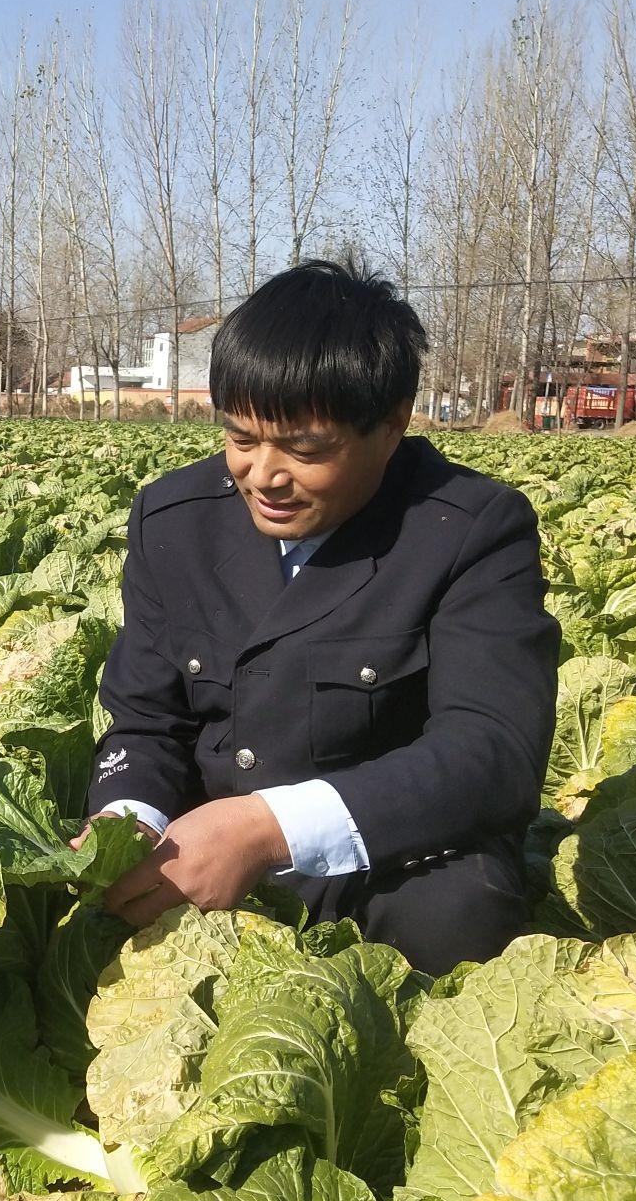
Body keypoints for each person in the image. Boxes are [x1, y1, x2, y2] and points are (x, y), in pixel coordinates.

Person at [86, 258, 559, 972]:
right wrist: (127, 825)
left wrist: (267, 829)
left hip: (384, 854)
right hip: (201, 846)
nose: (264, 475)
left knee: (459, 921)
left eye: (306, 449)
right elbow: (147, 721)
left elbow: (491, 751)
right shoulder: (172, 519)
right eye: (241, 438)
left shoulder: (467, 529)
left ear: (392, 425)